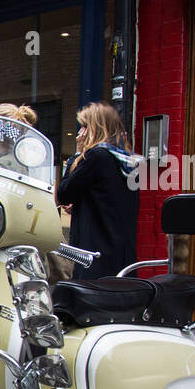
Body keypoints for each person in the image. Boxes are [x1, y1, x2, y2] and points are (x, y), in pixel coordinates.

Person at [55, 101, 140, 280]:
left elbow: (64, 193)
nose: (79, 133)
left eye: (84, 127)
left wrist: (77, 155)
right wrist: (81, 203)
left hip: (93, 255)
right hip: (119, 253)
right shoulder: (128, 161)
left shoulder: (96, 157)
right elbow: (107, 198)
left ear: (96, 128)